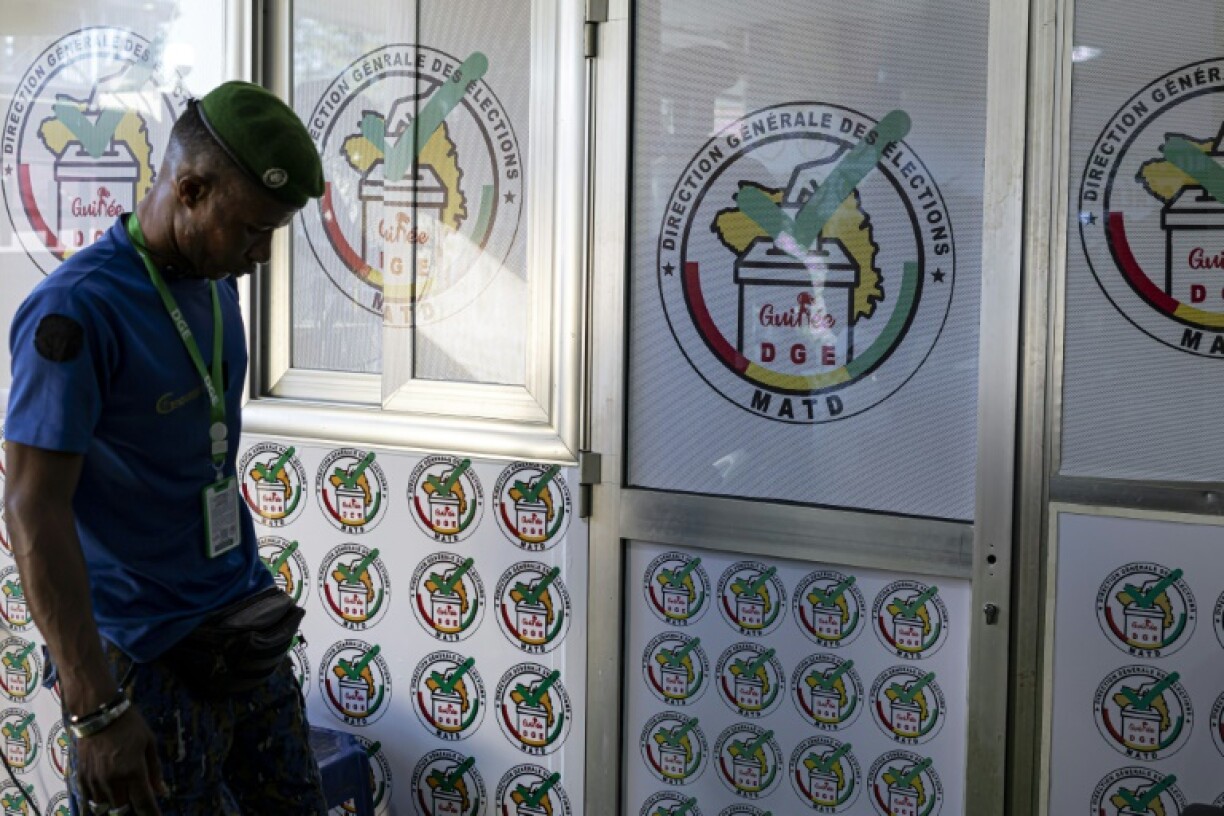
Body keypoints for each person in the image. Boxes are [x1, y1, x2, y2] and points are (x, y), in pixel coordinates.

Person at [5, 82, 327, 815]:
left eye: (272, 232)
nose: (262, 254)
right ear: (189, 187)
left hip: (238, 628)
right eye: (250, 229)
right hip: (138, 658)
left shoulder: (214, 283)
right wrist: (94, 706)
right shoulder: (76, 312)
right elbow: (31, 508)